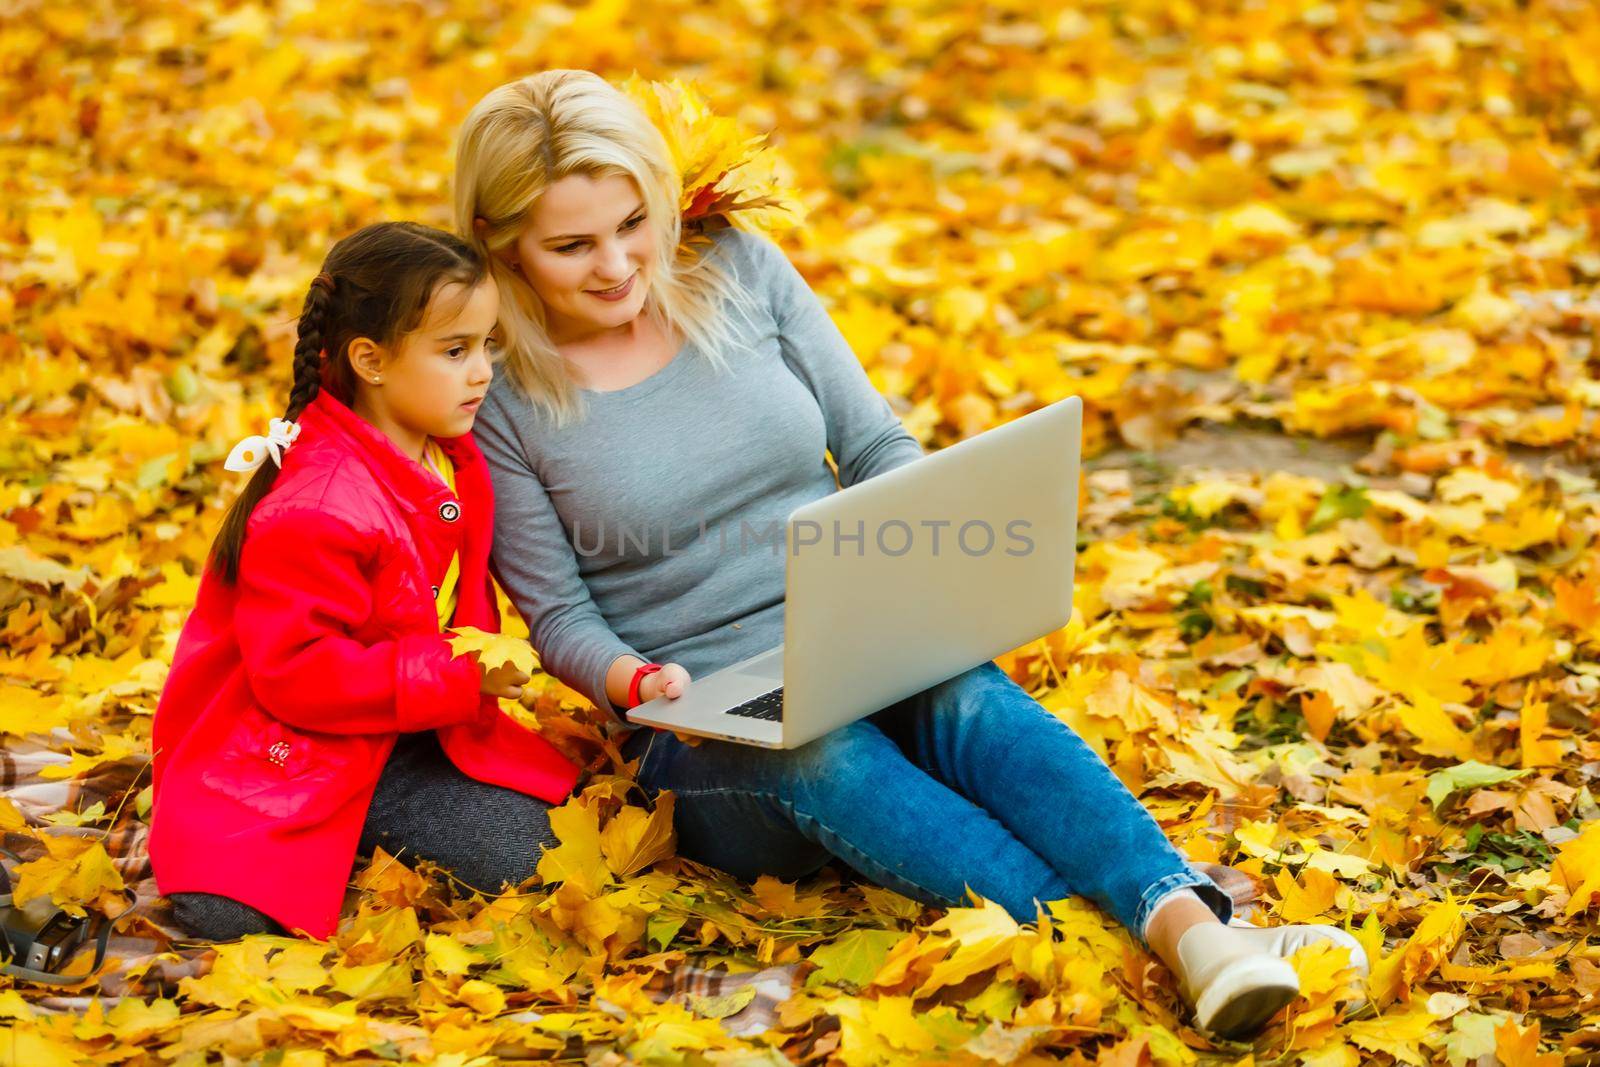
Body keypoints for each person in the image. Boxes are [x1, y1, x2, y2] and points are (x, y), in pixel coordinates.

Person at [454, 69, 1369, 1039]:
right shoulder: (499, 389)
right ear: (501, 247)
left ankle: (1196, 932)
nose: (616, 263)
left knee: (961, 693)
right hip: (702, 728)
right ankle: (1130, 953)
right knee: (822, 747)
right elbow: (556, 615)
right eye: (570, 245)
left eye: (633, 222)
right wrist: (632, 676)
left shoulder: (737, 268)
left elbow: (874, 442)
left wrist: (915, 569)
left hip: (853, 631)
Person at [150, 222, 581, 942]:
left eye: (486, 346)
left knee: (552, 852)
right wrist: (456, 673)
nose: (482, 372)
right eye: (455, 351)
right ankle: (308, 845)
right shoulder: (317, 508)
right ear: (370, 360)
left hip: (405, 726)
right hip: (290, 746)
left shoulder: (449, 457)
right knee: (229, 912)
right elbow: (296, 674)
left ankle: (361, 837)